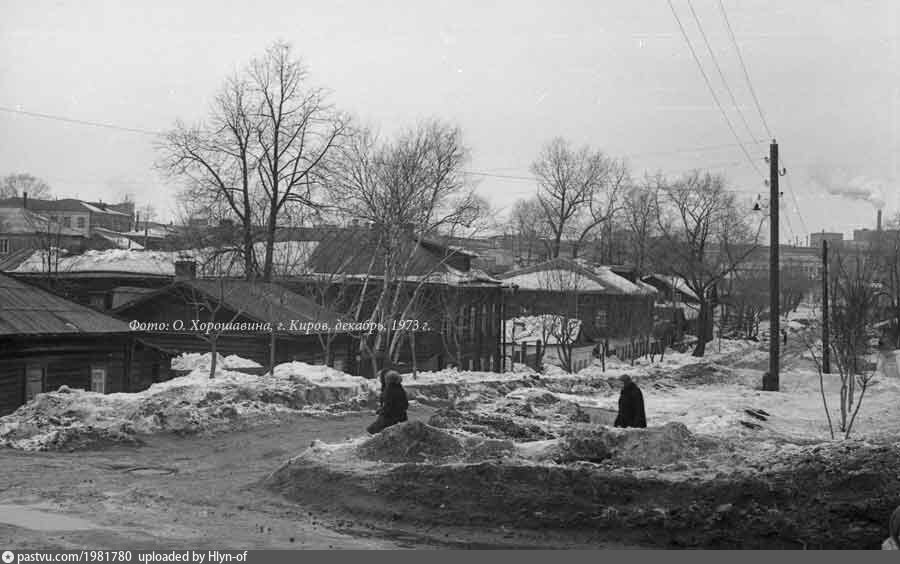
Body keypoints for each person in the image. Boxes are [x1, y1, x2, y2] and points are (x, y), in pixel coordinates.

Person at [367, 370, 409, 434]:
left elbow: (388, 406)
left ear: (388, 380)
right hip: (402, 417)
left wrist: (380, 411)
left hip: (390, 419)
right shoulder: (400, 388)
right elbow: (406, 405)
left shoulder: (389, 390)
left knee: (371, 430)